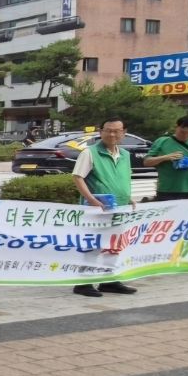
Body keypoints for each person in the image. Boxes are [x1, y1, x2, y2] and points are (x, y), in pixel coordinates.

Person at [71, 118, 137, 298]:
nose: (112, 134)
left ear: (124, 132)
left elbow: (122, 179)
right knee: (93, 246)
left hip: (119, 208)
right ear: (101, 131)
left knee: (114, 245)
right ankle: (83, 283)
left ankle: (109, 281)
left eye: (117, 131)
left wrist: (128, 197)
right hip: (97, 209)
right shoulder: (90, 153)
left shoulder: (124, 154)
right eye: (108, 130)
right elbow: (78, 177)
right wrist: (91, 199)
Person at [144, 115, 188, 200]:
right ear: (176, 127)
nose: (185, 136)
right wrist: (165, 157)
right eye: (182, 132)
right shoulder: (162, 141)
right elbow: (147, 162)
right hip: (167, 190)